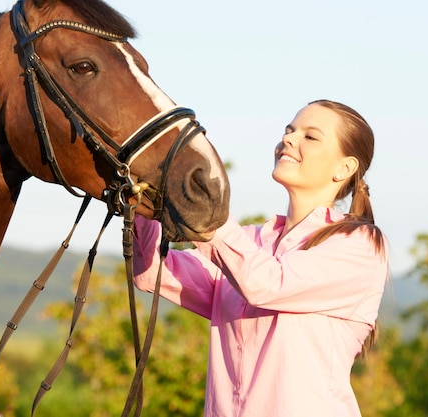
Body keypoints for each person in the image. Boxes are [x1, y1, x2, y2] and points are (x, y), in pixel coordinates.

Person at [132, 99, 389, 417]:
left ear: (345, 168)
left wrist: (208, 214)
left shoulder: (358, 246)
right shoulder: (253, 242)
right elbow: (153, 272)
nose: (289, 139)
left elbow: (265, 283)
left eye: (310, 136)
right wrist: (144, 197)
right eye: (289, 130)